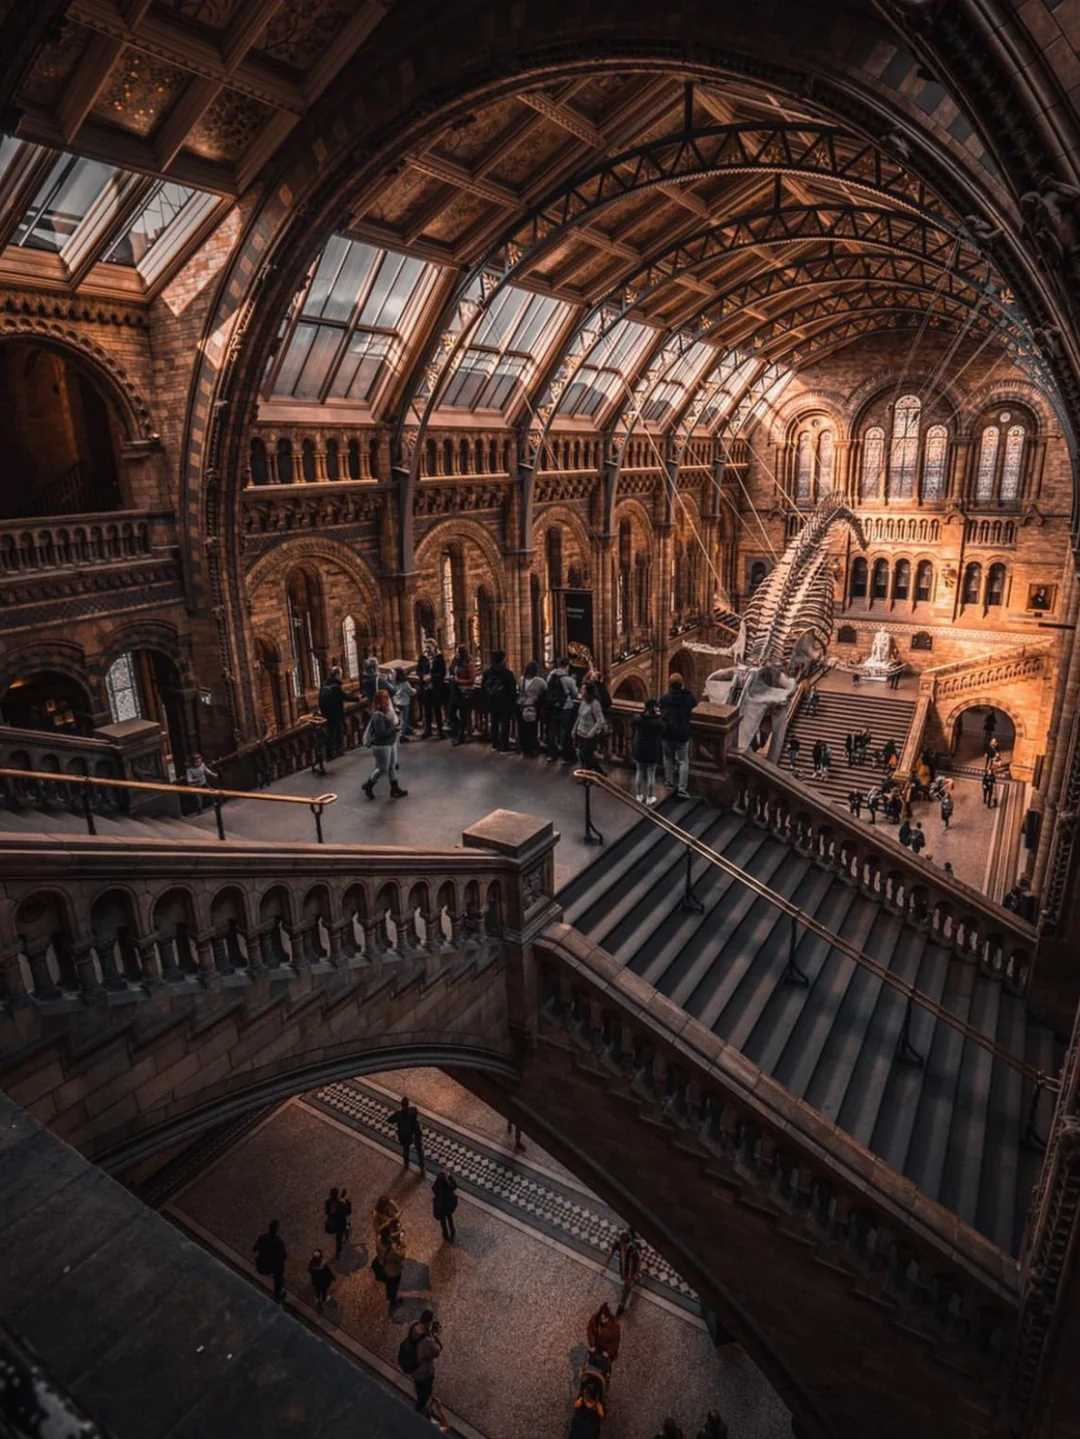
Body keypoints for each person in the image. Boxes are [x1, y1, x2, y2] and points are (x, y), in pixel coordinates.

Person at [361, 690, 407, 800]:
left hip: (390, 743)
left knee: (392, 766)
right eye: (384, 699)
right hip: (381, 745)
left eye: (387, 698)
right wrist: (394, 729)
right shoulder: (378, 716)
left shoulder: (387, 712)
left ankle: (395, 788)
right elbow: (381, 733)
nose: (387, 701)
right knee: (382, 768)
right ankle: (369, 785)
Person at [659, 673, 698, 799]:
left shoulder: (665, 698)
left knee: (667, 758)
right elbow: (694, 703)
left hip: (667, 732)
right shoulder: (688, 697)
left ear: (669, 685)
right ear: (682, 684)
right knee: (683, 761)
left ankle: (669, 783)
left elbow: (661, 708)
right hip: (682, 733)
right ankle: (682, 788)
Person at [403, 1310, 446, 1424]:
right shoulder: (427, 1343)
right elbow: (437, 1350)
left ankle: (422, 1402)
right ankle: (420, 1410)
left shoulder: (413, 1326)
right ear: (428, 1322)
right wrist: (435, 1336)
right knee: (424, 1393)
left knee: (419, 1387)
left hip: (413, 1368)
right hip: (424, 1374)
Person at [482, 648, 517, 753]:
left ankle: (494, 743)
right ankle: (504, 745)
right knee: (505, 724)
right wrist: (514, 700)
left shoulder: (487, 672)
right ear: (503, 660)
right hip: (505, 703)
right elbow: (512, 689)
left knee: (494, 722)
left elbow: (484, 686)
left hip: (492, 700)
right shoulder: (507, 673)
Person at [633, 698, 665, 806]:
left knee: (639, 771)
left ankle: (638, 795)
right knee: (651, 774)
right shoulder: (658, 721)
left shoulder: (638, 719)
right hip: (652, 749)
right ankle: (650, 797)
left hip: (639, 748)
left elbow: (635, 719)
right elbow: (663, 729)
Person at [545, 656, 579, 762]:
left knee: (552, 731)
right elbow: (575, 694)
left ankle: (551, 754)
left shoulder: (551, 675)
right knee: (564, 732)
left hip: (553, 707)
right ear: (567, 666)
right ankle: (566, 756)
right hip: (565, 708)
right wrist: (573, 681)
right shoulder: (568, 680)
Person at [574, 681, 608, 774]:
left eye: (583, 689)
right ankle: (586, 774)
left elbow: (600, 720)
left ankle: (599, 772)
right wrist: (574, 729)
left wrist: (591, 733)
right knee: (581, 755)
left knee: (585, 755)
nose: (581, 690)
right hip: (581, 732)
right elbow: (579, 716)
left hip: (590, 735)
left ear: (588, 691)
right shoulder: (583, 701)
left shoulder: (595, 704)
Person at [609, 1227, 643, 1316]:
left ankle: (621, 1306)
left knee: (627, 1288)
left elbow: (638, 1262)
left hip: (630, 1272)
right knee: (626, 1283)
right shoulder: (619, 1244)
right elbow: (612, 1253)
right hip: (624, 1269)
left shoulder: (632, 1250)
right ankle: (638, 1278)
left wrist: (634, 1274)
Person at [375, 1216, 406, 1314]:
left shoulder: (379, 1239)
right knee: (394, 1286)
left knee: (388, 1285)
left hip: (382, 1268)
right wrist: (403, 1245)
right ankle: (393, 1302)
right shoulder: (392, 1249)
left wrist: (398, 1232)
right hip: (393, 1272)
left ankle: (389, 1295)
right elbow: (401, 1257)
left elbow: (382, 1232)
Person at [417, 640, 447, 739]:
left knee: (437, 709)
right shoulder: (423, 657)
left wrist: (432, 677)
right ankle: (428, 730)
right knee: (427, 710)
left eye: (429, 647)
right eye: (426, 647)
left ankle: (440, 730)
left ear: (434, 646)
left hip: (436, 687)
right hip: (425, 687)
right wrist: (423, 676)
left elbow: (443, 672)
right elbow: (418, 670)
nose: (427, 650)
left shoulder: (439, 657)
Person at [317, 666, 347, 760]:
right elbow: (344, 697)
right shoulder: (335, 687)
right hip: (336, 715)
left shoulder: (325, 684)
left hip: (327, 714)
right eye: (340, 675)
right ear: (337, 675)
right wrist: (357, 698)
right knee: (337, 733)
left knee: (330, 734)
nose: (341, 677)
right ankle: (336, 752)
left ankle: (330, 754)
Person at [389, 1095, 425, 1173]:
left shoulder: (399, 1114)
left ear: (401, 1105)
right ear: (408, 1104)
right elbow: (415, 1115)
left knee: (406, 1149)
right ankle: (421, 1165)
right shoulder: (413, 1110)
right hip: (415, 1131)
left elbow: (389, 1120)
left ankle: (406, 1163)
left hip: (405, 1133)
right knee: (418, 1148)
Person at [253, 1219, 286, 1303]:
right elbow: (283, 1256)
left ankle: (278, 1291)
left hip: (262, 1264)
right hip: (271, 1266)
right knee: (279, 1273)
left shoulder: (263, 1237)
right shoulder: (278, 1242)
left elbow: (254, 1249)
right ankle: (277, 1293)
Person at [518, 660, 546, 757]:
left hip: (522, 707)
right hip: (533, 707)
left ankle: (525, 749)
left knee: (523, 729)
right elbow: (545, 690)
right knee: (532, 729)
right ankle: (532, 749)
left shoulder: (522, 679)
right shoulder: (540, 682)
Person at [450, 645, 476, 745]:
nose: (456, 654)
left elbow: (472, 680)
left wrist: (459, 681)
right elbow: (451, 670)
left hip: (464, 692)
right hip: (455, 692)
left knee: (464, 715)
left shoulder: (469, 663)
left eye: (457, 652)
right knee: (451, 714)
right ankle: (457, 732)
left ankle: (461, 736)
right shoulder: (456, 662)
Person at [323, 1186, 352, 1260]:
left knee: (339, 1239)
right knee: (340, 1236)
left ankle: (338, 1254)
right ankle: (339, 1252)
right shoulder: (341, 1203)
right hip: (341, 1223)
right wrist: (347, 1202)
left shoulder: (328, 1202)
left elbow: (327, 1212)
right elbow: (348, 1212)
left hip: (333, 1223)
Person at [432, 1168, 459, 1243]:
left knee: (443, 1220)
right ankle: (452, 1231)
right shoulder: (448, 1181)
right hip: (449, 1203)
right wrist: (450, 1177)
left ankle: (445, 1234)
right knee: (449, 1217)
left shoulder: (439, 1179)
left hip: (441, 1205)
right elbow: (454, 1186)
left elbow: (433, 1188)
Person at [392, 667, 416, 742]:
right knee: (404, 719)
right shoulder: (405, 683)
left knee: (401, 718)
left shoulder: (394, 682)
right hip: (404, 702)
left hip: (397, 702)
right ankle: (402, 735)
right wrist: (415, 690)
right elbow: (411, 692)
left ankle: (407, 728)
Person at [308, 1248, 334, 1313]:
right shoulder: (322, 1265)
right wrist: (332, 1277)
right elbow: (328, 1272)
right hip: (323, 1283)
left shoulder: (311, 1264)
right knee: (323, 1292)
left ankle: (318, 1300)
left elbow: (309, 1270)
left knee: (317, 1291)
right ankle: (323, 1301)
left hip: (316, 1282)